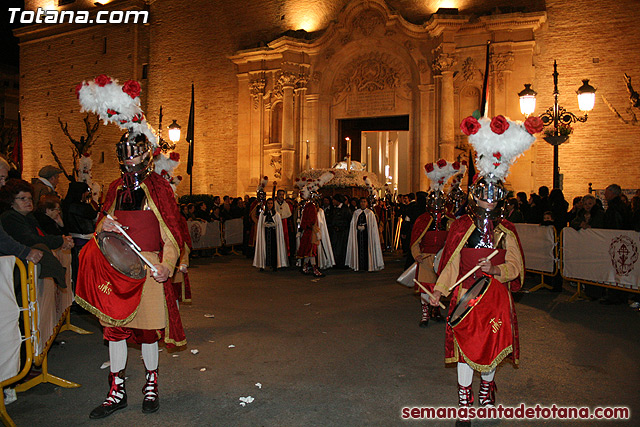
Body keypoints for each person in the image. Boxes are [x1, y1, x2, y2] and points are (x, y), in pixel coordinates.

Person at [74, 76, 188, 419]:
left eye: (134, 159)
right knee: (115, 331)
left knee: (149, 331)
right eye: (125, 161)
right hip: (117, 268)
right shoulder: (113, 188)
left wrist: (167, 264)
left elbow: (171, 233)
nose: (130, 166)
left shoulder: (160, 189)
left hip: (149, 266)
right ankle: (116, 389)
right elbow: (102, 231)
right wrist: (103, 225)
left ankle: (150, 384)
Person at [430, 114, 540, 425]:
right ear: (475, 194)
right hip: (466, 296)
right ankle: (464, 401)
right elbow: (452, 262)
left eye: (495, 194)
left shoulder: (506, 229)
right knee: (466, 349)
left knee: (490, 348)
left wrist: (495, 268)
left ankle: (487, 388)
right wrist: (439, 289)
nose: (488, 200)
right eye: (484, 193)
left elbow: (516, 267)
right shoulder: (463, 225)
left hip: (494, 299)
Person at [411, 159, 458, 327]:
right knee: (425, 288)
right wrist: (417, 255)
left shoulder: (450, 220)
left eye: (440, 201)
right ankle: (425, 313)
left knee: (440, 286)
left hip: (443, 259)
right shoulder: (423, 219)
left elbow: (455, 240)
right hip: (426, 259)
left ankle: (436, 310)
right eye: (434, 200)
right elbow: (416, 240)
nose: (437, 204)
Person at [346, 197, 384, 272]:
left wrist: (365, 227)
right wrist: (358, 227)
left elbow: (372, 226)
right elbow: (353, 224)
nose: (363, 203)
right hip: (358, 235)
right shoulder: (356, 213)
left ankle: (368, 265)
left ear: (367, 203)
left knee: (367, 249)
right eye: (361, 202)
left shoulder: (370, 213)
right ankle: (358, 266)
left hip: (367, 235)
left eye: (364, 202)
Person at [253, 198, 288, 271]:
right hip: (265, 234)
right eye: (268, 203)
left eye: (271, 203)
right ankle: (262, 265)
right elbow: (261, 224)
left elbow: (278, 226)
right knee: (264, 248)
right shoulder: (263, 214)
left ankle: (274, 265)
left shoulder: (276, 214)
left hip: (273, 234)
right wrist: (265, 225)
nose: (270, 205)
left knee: (274, 249)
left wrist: (273, 225)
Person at [328, 194, 351, 268]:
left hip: (343, 233)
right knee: (335, 247)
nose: (332, 201)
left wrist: (341, 227)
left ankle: (342, 263)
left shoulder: (345, 209)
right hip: (335, 232)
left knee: (341, 247)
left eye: (334, 200)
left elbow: (349, 221)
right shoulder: (334, 209)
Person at [274, 189, 295, 263]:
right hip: (276, 223)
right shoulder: (274, 204)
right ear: (277, 195)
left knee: (286, 239)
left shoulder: (286, 204)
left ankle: (286, 256)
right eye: (280, 194)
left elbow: (288, 214)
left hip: (284, 223)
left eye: (282, 195)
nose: (281, 196)